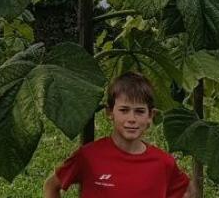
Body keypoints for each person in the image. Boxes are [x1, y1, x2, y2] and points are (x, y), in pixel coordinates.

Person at [43, 71, 191, 197]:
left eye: (139, 111)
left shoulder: (164, 163)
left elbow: (187, 191)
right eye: (124, 110)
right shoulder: (89, 156)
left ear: (150, 116)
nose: (132, 119)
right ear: (110, 112)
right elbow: (51, 186)